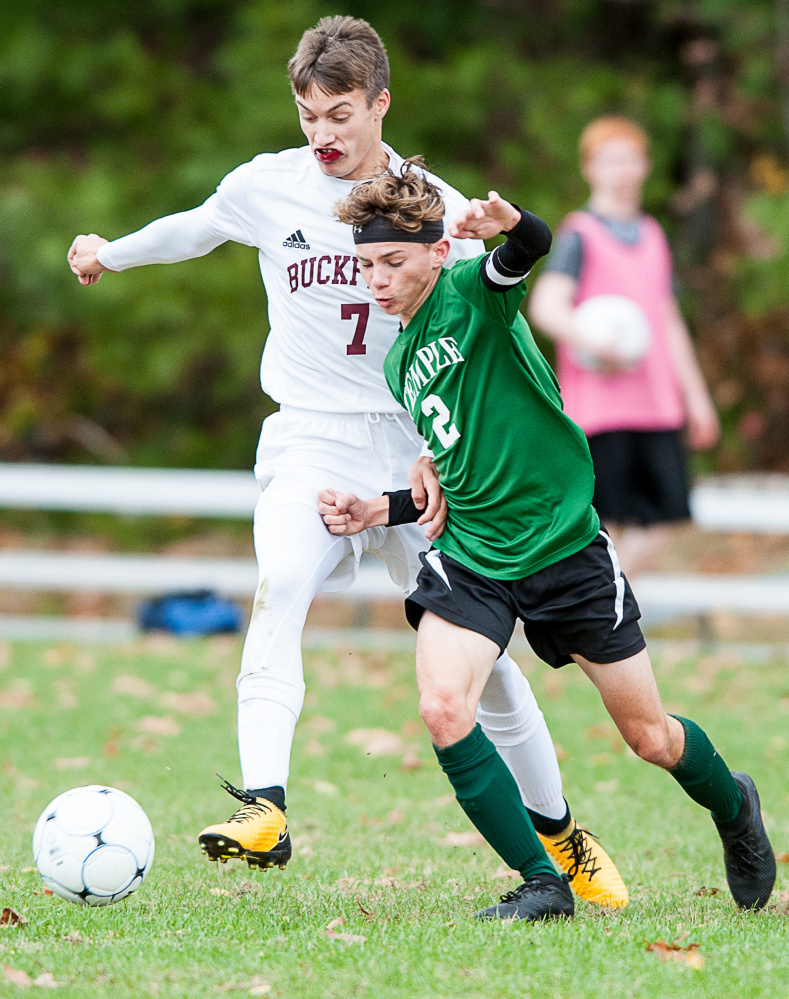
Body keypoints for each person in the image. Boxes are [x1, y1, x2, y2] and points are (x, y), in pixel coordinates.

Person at [66, 16, 626, 906]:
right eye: (306, 114)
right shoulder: (267, 188)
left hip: (417, 452)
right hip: (309, 437)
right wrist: (110, 253)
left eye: (338, 114)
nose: (320, 134)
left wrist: (468, 449)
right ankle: (265, 806)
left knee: (484, 661)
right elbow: (197, 228)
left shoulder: (432, 204)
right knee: (277, 586)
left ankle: (560, 835)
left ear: (379, 105)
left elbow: (492, 329)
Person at [319, 165, 775, 921]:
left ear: (436, 253)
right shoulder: (398, 362)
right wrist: (381, 506)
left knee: (651, 737)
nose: (377, 280)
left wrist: (510, 221)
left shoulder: (473, 295)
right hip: (475, 560)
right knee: (442, 706)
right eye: (366, 265)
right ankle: (541, 880)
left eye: (392, 262)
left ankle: (733, 807)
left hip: (564, 551)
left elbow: (530, 245)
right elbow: (457, 475)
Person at [528, 116, 720, 577]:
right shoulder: (580, 234)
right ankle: (599, 606)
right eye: (610, 161)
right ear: (590, 168)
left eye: (630, 160)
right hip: (600, 410)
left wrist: (696, 398)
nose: (622, 170)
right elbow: (547, 306)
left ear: (644, 167)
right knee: (604, 523)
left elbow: (668, 321)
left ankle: (609, 590)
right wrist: (594, 340)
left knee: (670, 517)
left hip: (655, 405)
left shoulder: (653, 234)